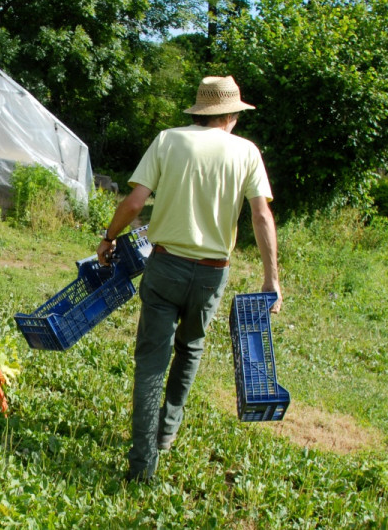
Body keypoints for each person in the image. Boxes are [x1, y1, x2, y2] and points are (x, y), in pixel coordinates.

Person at [96, 76, 282, 484]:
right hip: (212, 274)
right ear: (232, 115)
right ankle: (167, 431)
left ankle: (142, 465)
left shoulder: (169, 140)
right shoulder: (247, 152)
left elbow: (134, 202)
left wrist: (109, 238)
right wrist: (272, 278)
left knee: (150, 363)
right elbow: (261, 216)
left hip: (164, 266)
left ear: (200, 111)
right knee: (191, 346)